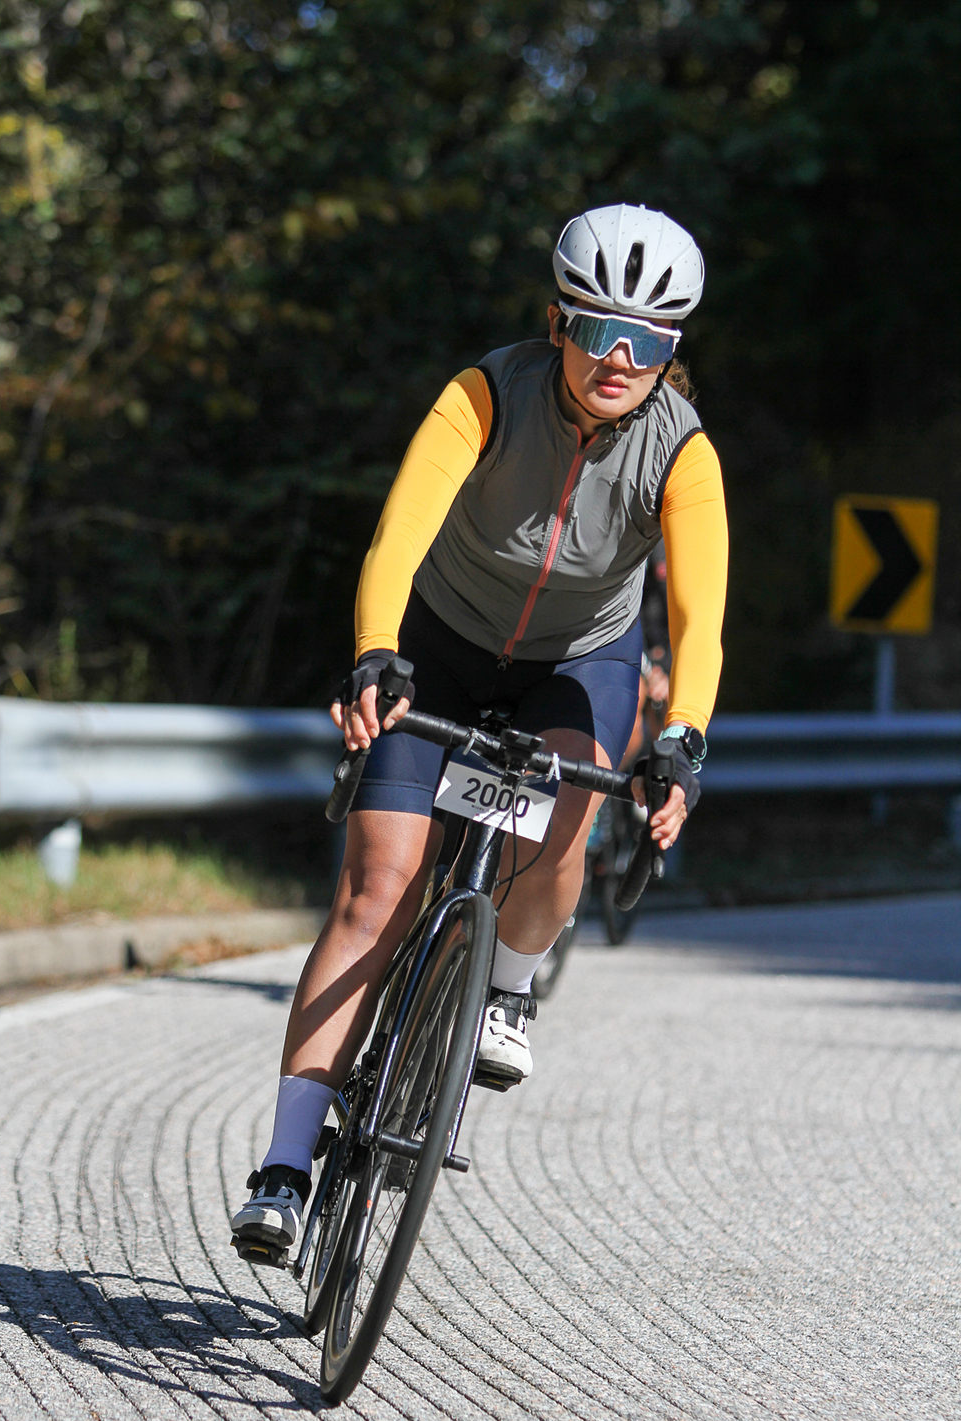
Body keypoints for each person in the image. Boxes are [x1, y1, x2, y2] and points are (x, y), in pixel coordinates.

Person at [230, 203, 729, 1262]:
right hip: (441, 643)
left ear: (671, 351)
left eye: (647, 342)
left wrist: (683, 736)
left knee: (570, 815)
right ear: (558, 323)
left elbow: (699, 619)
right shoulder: (485, 394)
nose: (619, 358)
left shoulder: (682, 452)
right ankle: (283, 1165)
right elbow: (399, 532)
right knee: (376, 890)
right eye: (598, 329)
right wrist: (376, 650)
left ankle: (507, 987)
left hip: (577, 664)